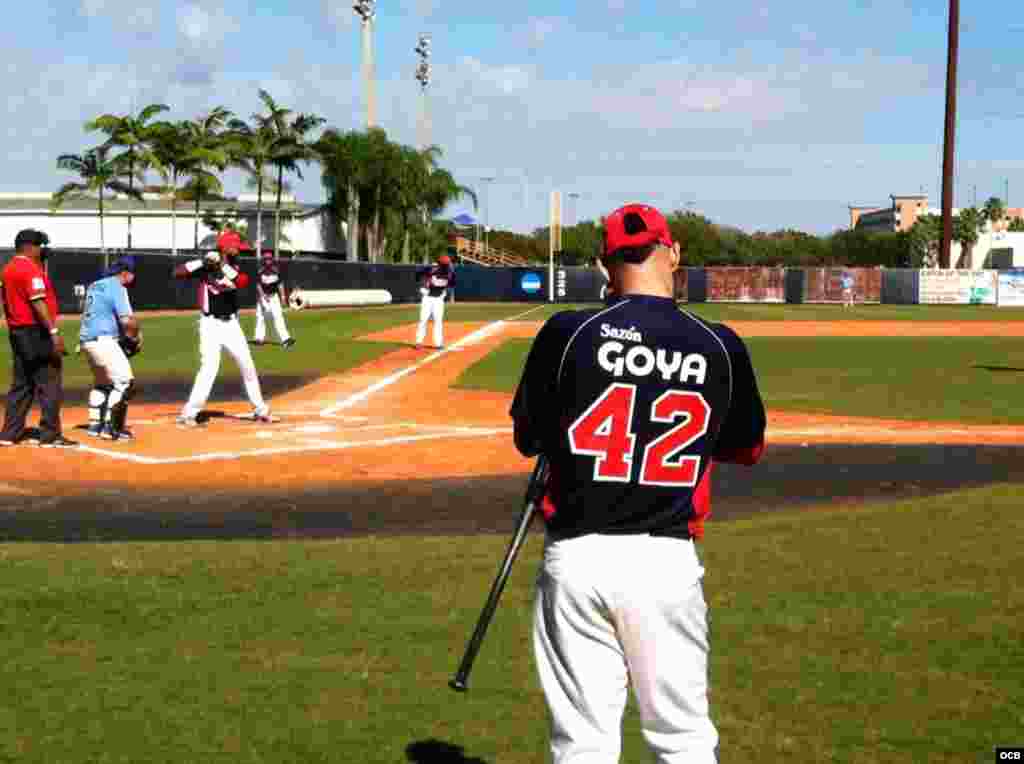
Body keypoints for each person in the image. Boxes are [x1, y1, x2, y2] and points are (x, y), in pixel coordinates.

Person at [510, 203, 766, 764]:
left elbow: (528, 438)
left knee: (582, 744)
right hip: (665, 560)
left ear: (605, 265)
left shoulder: (566, 332)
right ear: (673, 253)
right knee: (683, 739)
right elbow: (746, 448)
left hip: (576, 558)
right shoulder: (719, 343)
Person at [174, 230, 274, 427]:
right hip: (210, 324)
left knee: (247, 364)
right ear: (226, 247)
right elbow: (177, 272)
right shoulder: (206, 265)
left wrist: (221, 265)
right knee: (209, 368)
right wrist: (202, 263)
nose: (239, 250)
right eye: (236, 247)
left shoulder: (235, 265)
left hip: (231, 325)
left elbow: (241, 281)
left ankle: (260, 409)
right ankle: (189, 413)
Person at [0, 229, 77, 448]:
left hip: (18, 333)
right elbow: (38, 302)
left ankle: (9, 433)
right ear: (29, 247)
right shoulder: (30, 270)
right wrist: (53, 332)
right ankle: (50, 435)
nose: (42, 250)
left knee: (22, 384)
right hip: (37, 332)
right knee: (49, 382)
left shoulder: (7, 269)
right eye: (39, 245)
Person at [78, 256, 142, 441]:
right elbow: (127, 320)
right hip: (104, 341)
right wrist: (135, 337)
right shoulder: (117, 287)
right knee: (124, 383)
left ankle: (95, 425)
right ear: (125, 273)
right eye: (132, 272)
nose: (133, 277)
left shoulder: (95, 285)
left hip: (86, 341)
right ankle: (112, 428)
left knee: (102, 383)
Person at [252, 249, 294, 348]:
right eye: (266, 259)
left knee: (278, 316)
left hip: (274, 297)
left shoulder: (276, 270)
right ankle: (259, 338)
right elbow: (258, 285)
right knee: (260, 317)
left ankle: (285, 339)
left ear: (272, 260)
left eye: (269, 258)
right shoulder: (260, 271)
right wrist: (263, 296)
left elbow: (280, 284)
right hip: (263, 297)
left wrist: (283, 297)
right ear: (263, 260)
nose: (268, 260)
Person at [415, 254, 455, 349]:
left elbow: (452, 284)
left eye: (447, 264)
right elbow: (418, 274)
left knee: (438, 321)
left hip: (438, 299)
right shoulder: (431, 269)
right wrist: (423, 282)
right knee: (423, 319)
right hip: (427, 298)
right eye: (446, 264)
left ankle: (438, 343)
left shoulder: (450, 272)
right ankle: (419, 342)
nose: (447, 265)